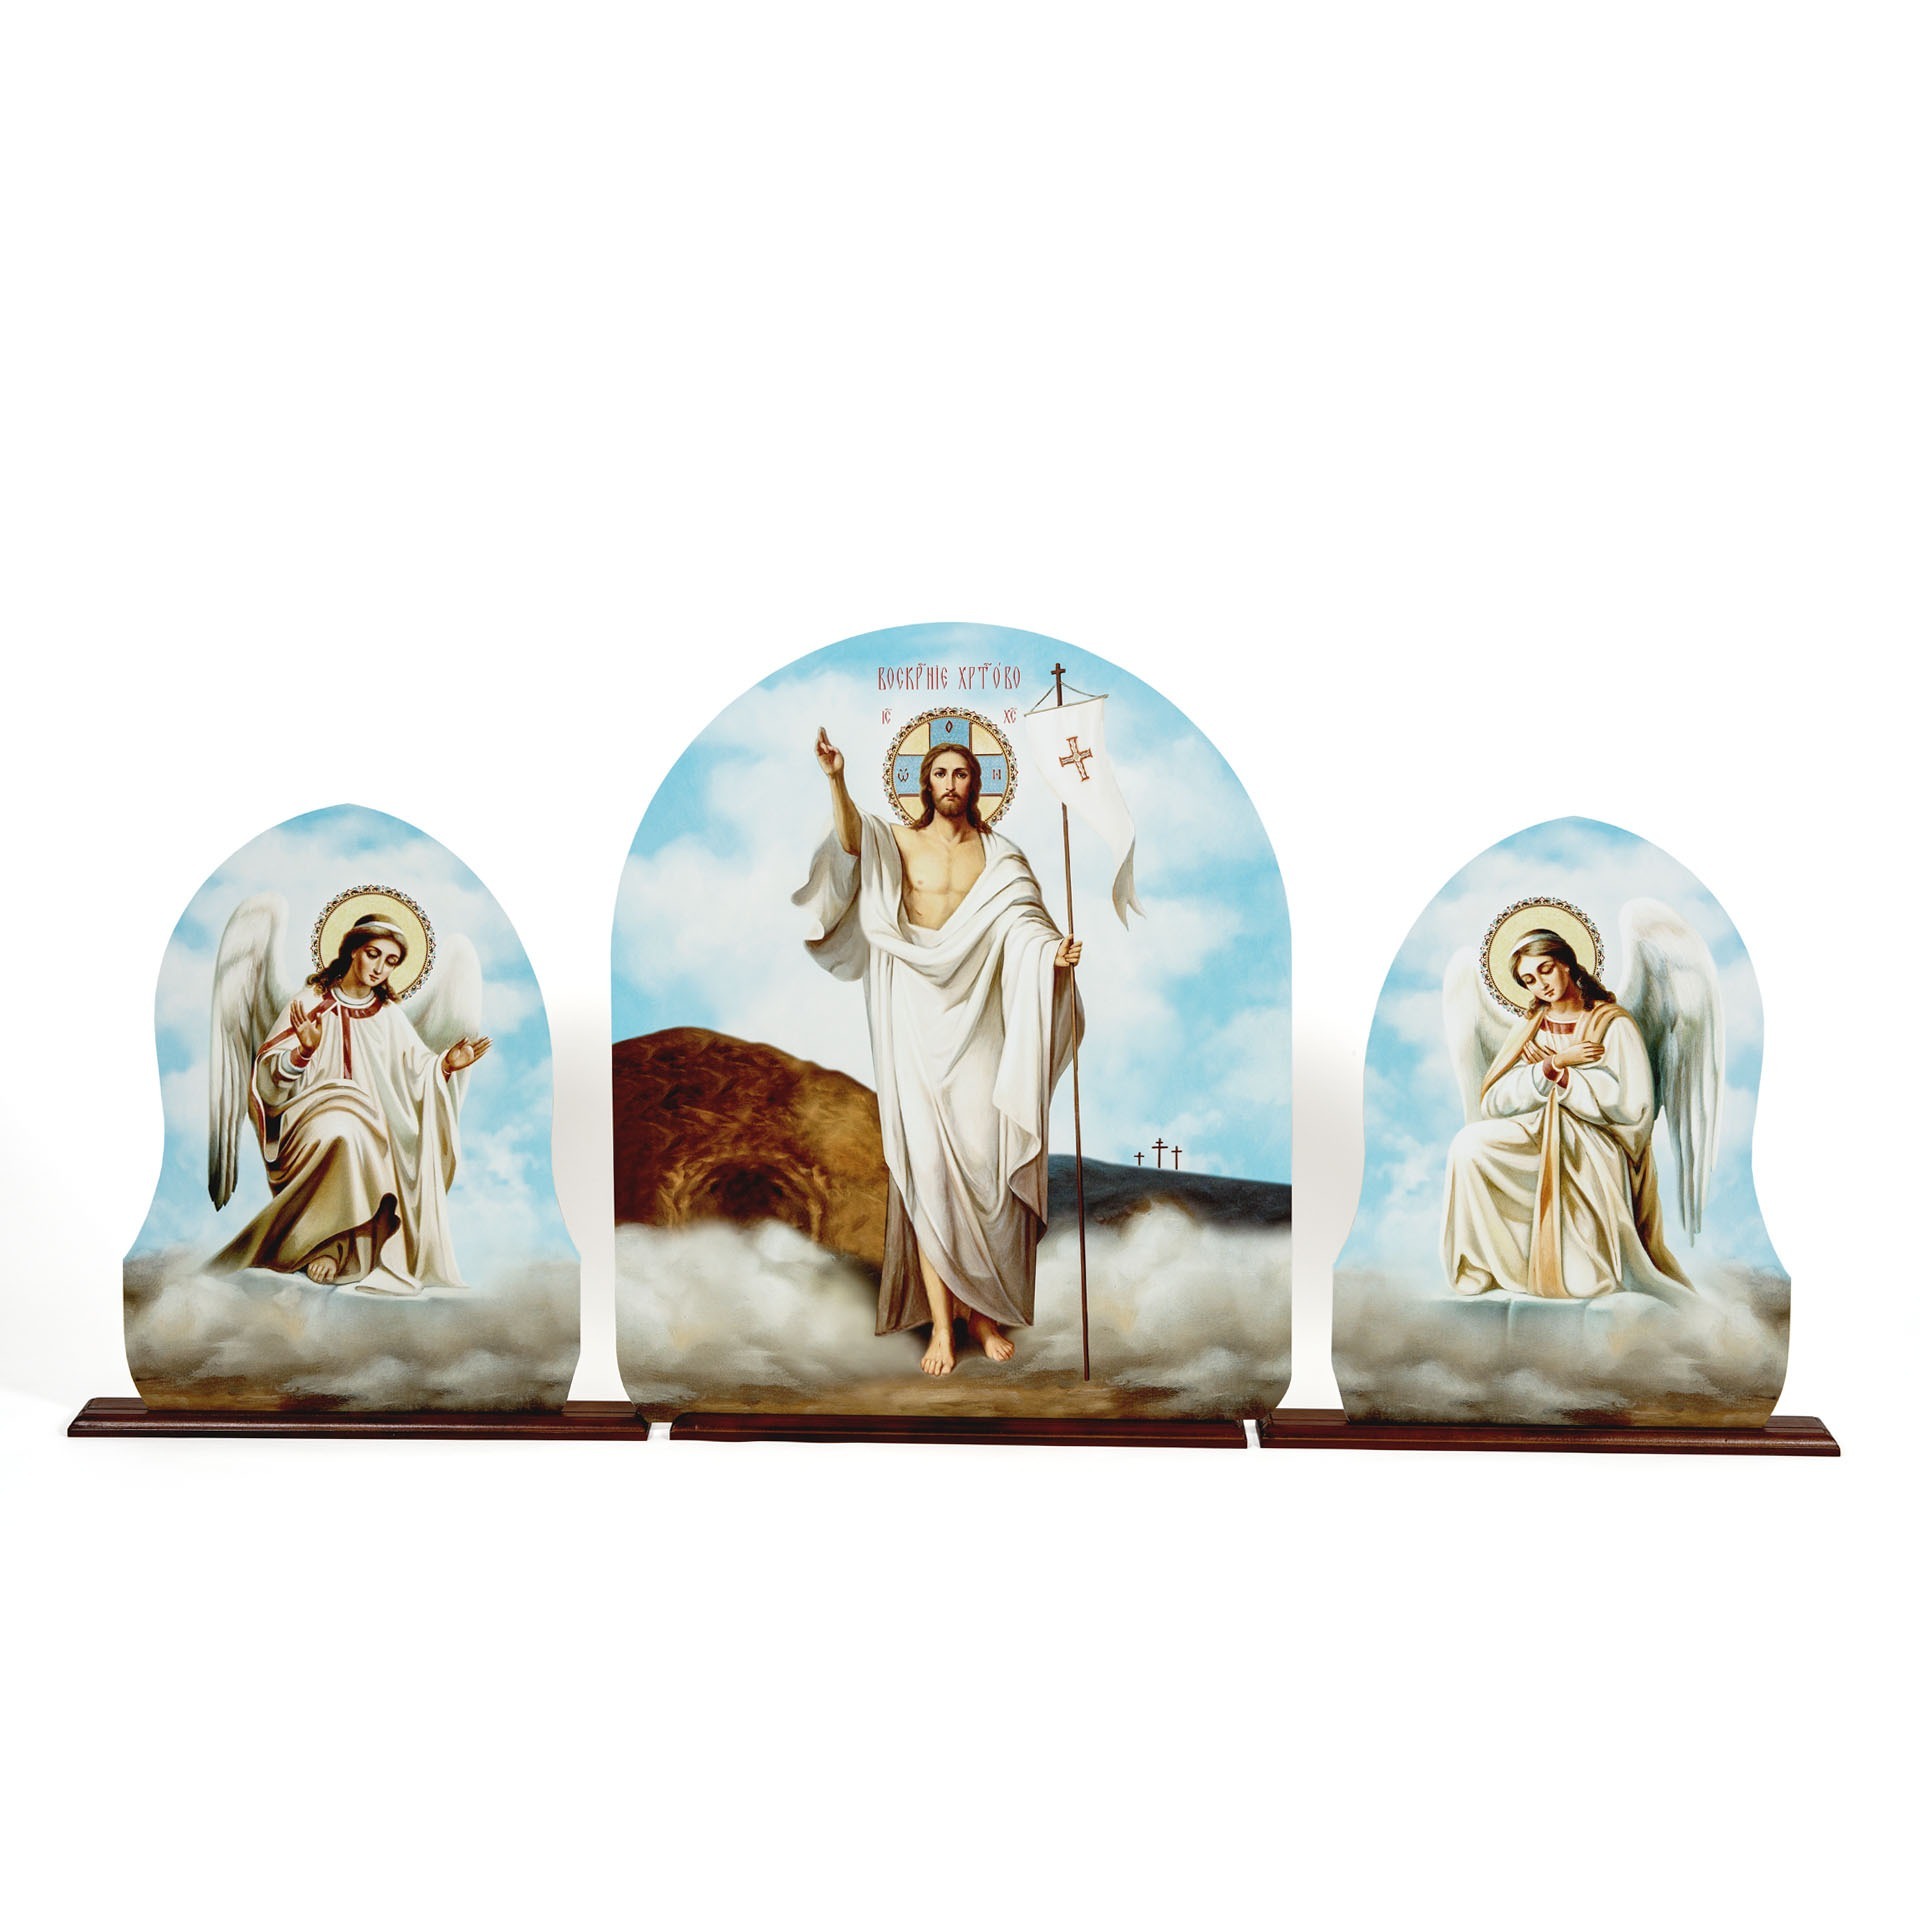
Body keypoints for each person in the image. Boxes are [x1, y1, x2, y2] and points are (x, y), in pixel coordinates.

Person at [795, 726, 1083, 1374]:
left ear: (976, 784)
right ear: (923, 784)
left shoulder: (1001, 857)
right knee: (927, 1173)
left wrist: (1051, 955)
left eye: (961, 773)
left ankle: (983, 1315)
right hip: (914, 1017)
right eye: (939, 773)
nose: (950, 784)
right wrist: (837, 779)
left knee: (985, 1167)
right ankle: (943, 1330)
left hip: (978, 1018)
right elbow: (850, 842)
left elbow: (1024, 926)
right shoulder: (896, 841)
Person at [211, 915, 490, 1294]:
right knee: (345, 1129)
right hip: (306, 1120)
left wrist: (444, 1066)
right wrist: (303, 1051)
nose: (379, 968)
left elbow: (415, 1071)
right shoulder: (308, 1003)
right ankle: (321, 1246)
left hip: (368, 1121)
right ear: (351, 950)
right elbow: (267, 1082)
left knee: (371, 1137)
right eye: (373, 954)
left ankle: (345, 1251)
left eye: (391, 961)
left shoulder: (388, 1016)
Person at [1441, 930, 1691, 1303]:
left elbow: (1632, 1104)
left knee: (1569, 1149)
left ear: (1568, 964)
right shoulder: (1530, 1026)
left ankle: (1580, 1266)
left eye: (1546, 969)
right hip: (1538, 1130)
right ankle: (1495, 1265)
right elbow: (1493, 1101)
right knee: (1468, 1146)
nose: (1541, 984)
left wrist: (1566, 1078)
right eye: (1529, 979)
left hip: (1594, 1139)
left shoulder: (1612, 1023)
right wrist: (1551, 1066)